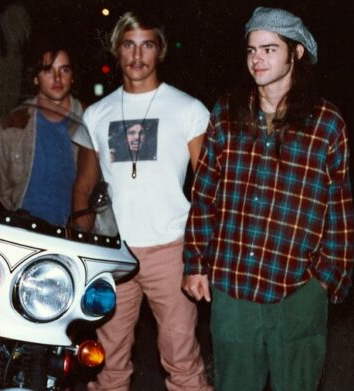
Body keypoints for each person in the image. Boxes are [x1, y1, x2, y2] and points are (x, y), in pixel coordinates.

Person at [182, 7, 354, 391]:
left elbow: (338, 207)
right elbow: (205, 190)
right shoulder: (226, 113)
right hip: (233, 284)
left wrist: (326, 279)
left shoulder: (327, 123)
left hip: (298, 287)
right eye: (251, 50)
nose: (257, 59)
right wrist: (195, 262)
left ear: (295, 53)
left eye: (269, 49)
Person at [76, 11, 211, 391]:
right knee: (108, 363)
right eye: (128, 45)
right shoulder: (96, 114)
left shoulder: (188, 109)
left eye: (147, 45)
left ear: (160, 51)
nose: (137, 56)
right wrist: (85, 251)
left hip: (170, 250)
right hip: (113, 253)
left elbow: (208, 187)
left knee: (181, 360)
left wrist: (201, 254)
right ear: (116, 51)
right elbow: (83, 188)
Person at [0, 40, 93, 227]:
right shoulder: (12, 125)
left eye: (64, 70)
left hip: (75, 235)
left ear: (73, 76)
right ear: (35, 77)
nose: (57, 78)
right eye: (48, 70)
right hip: (24, 229)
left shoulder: (92, 123)